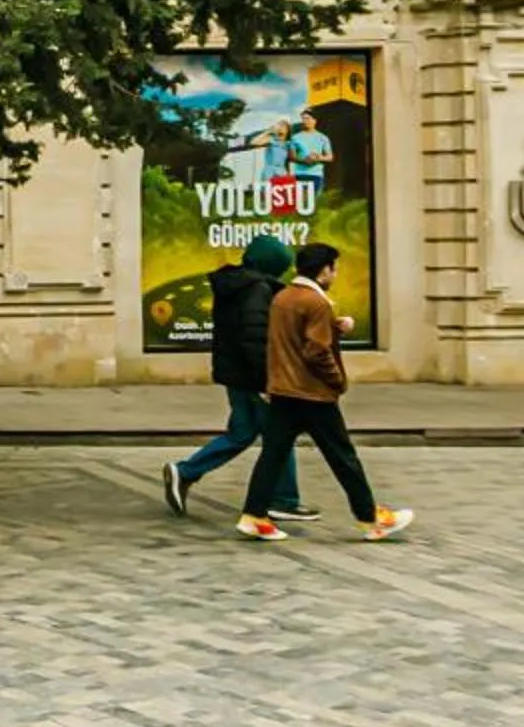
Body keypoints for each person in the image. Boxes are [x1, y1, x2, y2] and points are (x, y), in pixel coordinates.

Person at [238, 242, 412, 544]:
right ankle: (370, 519)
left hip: (283, 390)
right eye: (333, 268)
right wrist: (336, 381)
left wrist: (333, 328)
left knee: (273, 455)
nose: (335, 273)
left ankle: (254, 516)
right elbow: (316, 350)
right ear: (323, 271)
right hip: (312, 393)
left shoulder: (283, 297)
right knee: (343, 457)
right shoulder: (317, 303)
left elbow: (289, 339)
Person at [161, 233, 317, 522]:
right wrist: (267, 381)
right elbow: (255, 338)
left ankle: (185, 472)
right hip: (253, 377)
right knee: (279, 434)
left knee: (242, 433)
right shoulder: (257, 289)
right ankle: (284, 499)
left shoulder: (236, 284)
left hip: (236, 374)